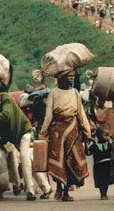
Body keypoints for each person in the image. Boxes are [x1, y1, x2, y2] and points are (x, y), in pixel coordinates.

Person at [0, 81, 43, 201]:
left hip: (23, 131)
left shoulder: (5, 97)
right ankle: (46, 187)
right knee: (23, 161)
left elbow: (5, 115)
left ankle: (30, 191)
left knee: (24, 159)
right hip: (11, 136)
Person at [39, 70, 92, 202]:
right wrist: (43, 133)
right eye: (69, 77)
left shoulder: (75, 92)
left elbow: (81, 114)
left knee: (71, 160)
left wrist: (87, 131)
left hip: (72, 130)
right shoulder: (53, 93)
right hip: (57, 130)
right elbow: (49, 115)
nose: (71, 79)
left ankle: (66, 191)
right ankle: (58, 187)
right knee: (58, 159)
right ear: (61, 78)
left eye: (73, 77)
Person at [87, 126, 114, 200]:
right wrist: (86, 145)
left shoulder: (110, 145)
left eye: (108, 135)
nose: (108, 137)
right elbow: (88, 153)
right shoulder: (94, 146)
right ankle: (102, 194)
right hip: (98, 166)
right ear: (99, 136)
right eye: (106, 135)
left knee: (106, 181)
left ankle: (105, 194)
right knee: (100, 181)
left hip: (107, 165)